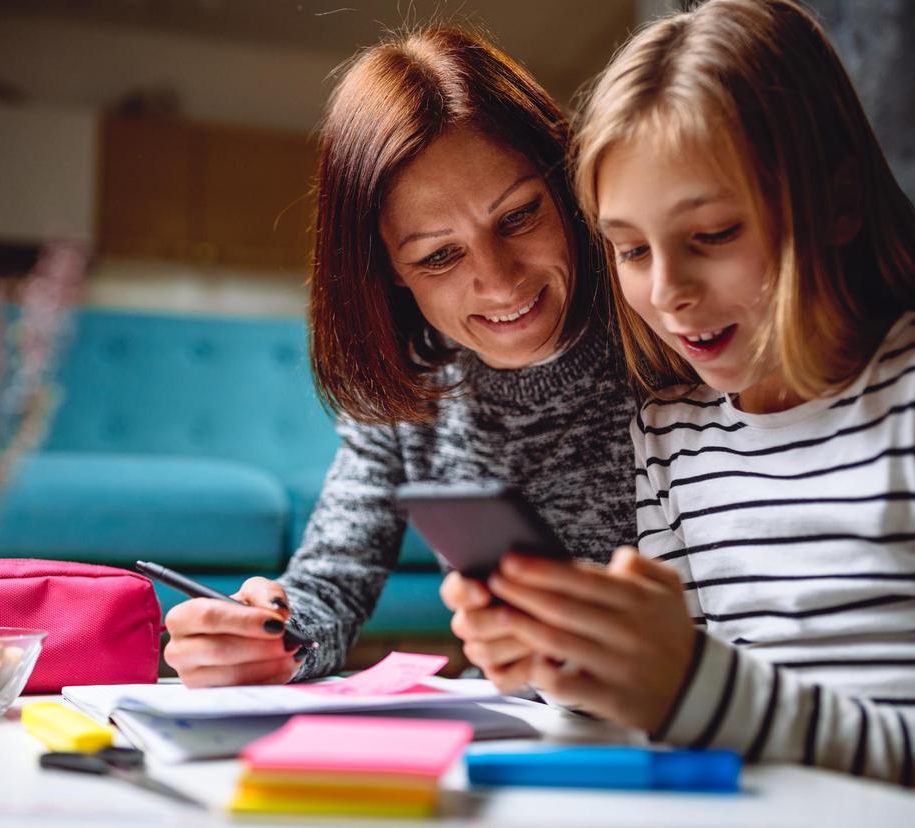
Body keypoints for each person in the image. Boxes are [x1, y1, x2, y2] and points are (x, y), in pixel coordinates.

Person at [446, 0, 915, 785]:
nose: (668, 292)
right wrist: (570, 665)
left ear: (835, 204)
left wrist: (699, 687)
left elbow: (721, 697)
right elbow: (688, 709)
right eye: (630, 249)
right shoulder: (673, 431)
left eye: (714, 236)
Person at [162, 27, 637, 688]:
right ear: (387, 272)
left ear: (568, 183)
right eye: (439, 256)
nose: (499, 281)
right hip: (523, 735)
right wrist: (267, 638)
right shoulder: (412, 384)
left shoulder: (671, 327)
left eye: (520, 216)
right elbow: (329, 588)